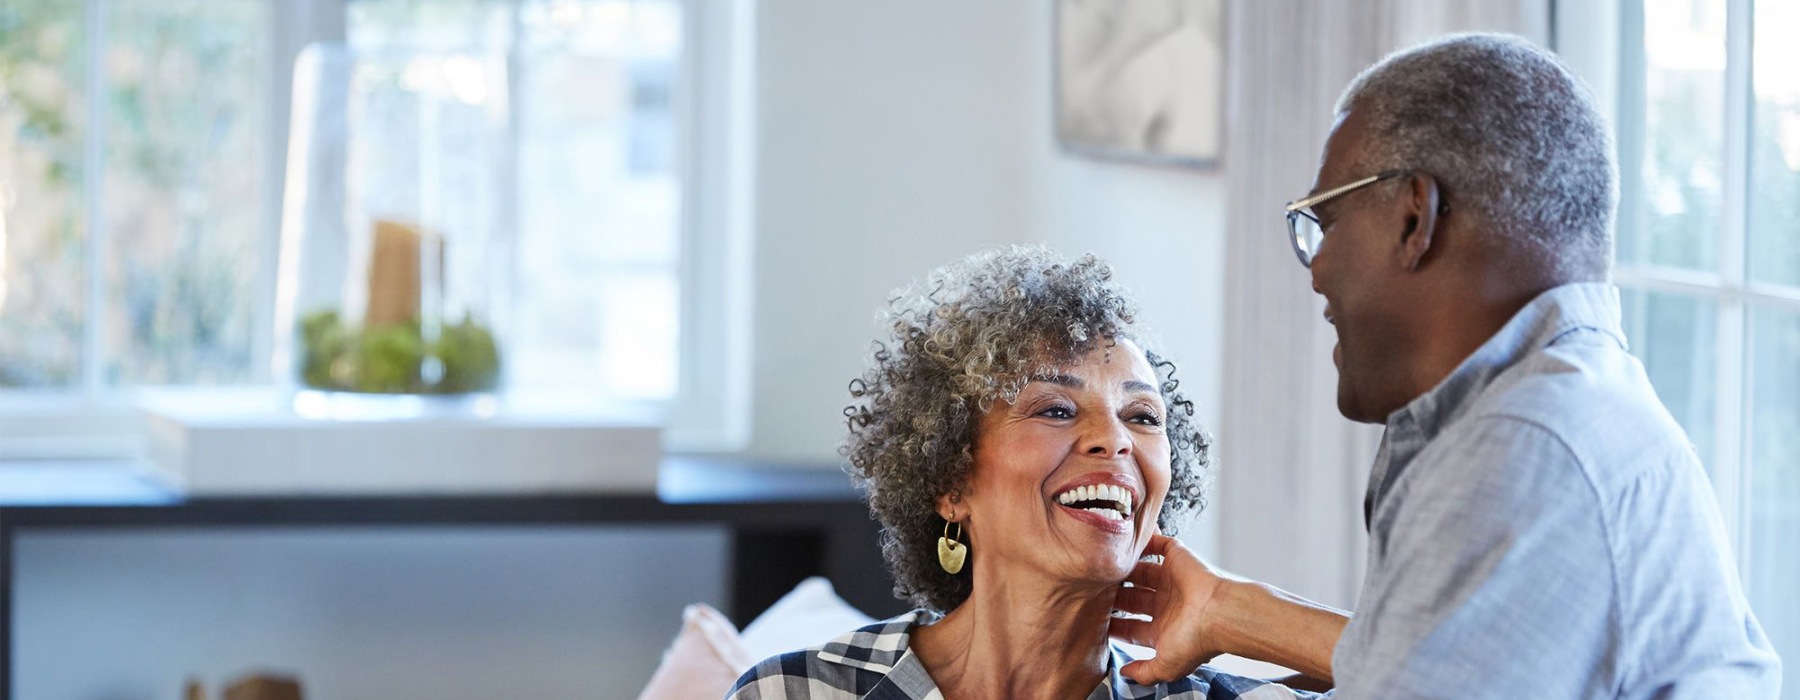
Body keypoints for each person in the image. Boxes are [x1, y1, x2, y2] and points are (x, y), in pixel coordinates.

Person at [1109, 33, 1783, 698]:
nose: (1316, 272)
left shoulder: (1520, 452)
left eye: (1327, 224)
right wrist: (1233, 609)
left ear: (1413, 217)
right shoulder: (1567, 410)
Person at [727, 246, 1314, 699]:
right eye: (1056, 409)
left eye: (1142, 416)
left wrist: (1242, 612)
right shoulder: (797, 691)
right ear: (949, 481)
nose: (1114, 440)